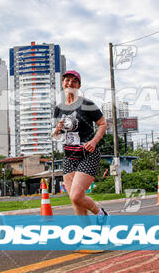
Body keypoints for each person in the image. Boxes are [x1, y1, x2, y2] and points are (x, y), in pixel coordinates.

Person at [52, 70, 109, 219]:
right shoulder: (59, 108)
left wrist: (94, 141)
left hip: (88, 154)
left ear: (79, 85)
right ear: (63, 83)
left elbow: (103, 124)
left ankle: (101, 213)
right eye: (67, 80)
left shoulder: (86, 104)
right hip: (69, 156)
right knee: (74, 200)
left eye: (74, 81)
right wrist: (56, 130)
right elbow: (57, 134)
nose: (70, 83)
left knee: (77, 196)